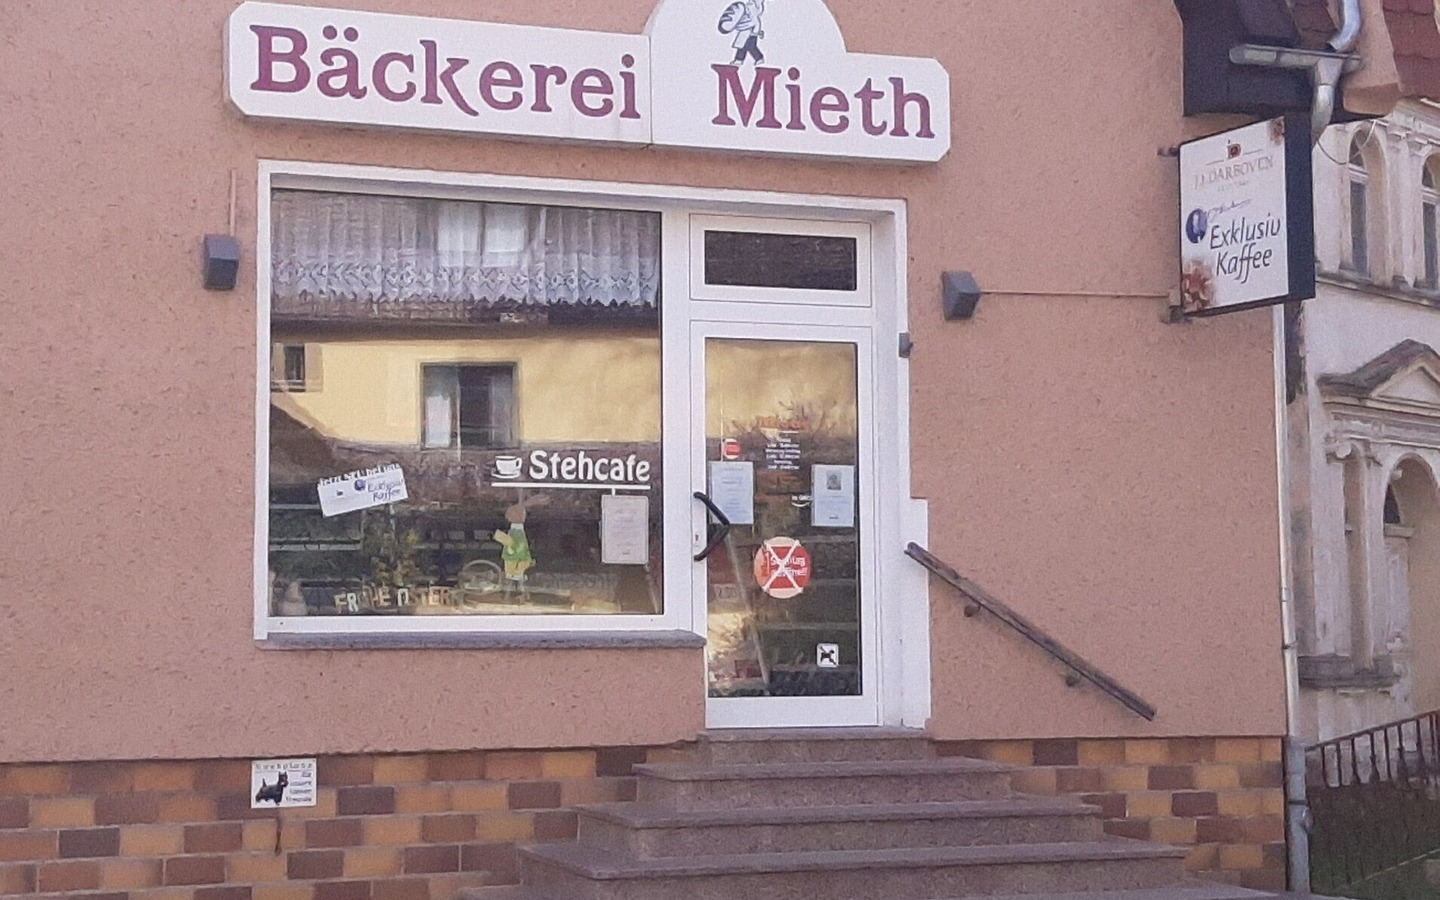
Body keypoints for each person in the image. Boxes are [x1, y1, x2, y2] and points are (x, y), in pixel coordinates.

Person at [720, 0, 766, 66]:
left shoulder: (752, 8)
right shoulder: (750, 7)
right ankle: (740, 59)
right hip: (746, 31)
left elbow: (754, 21)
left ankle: (758, 58)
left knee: (750, 46)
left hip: (751, 32)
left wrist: (756, 31)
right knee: (742, 46)